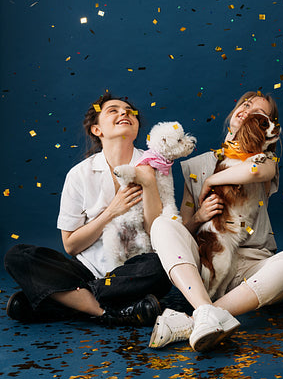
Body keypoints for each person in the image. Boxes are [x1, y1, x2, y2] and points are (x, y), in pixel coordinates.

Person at [149, 91, 283, 352]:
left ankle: (196, 317)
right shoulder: (195, 165)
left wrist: (211, 181)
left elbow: (255, 171)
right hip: (207, 262)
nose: (248, 111)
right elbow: (185, 230)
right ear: (235, 111)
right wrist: (199, 216)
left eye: (260, 114)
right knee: (162, 225)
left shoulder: (263, 159)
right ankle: (205, 312)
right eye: (246, 104)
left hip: (253, 268)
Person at [4, 92, 172, 326]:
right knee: (18, 255)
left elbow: (157, 234)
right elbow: (71, 245)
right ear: (96, 130)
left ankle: (64, 301)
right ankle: (108, 312)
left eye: (129, 111)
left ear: (136, 128)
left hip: (135, 269)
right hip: (86, 269)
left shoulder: (155, 166)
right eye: (113, 110)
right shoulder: (79, 174)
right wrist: (111, 211)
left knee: (161, 268)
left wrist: (149, 183)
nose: (124, 113)